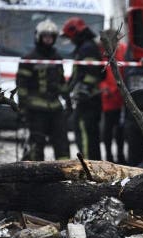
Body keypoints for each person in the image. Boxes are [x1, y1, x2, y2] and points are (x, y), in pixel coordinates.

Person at [16, 19, 70, 161]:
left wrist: (68, 100)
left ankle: (66, 174)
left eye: (51, 36)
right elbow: (21, 87)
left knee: (62, 143)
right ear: (39, 37)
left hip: (55, 107)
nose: (48, 39)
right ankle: (36, 176)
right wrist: (22, 109)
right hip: (36, 110)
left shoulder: (57, 57)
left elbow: (61, 82)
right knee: (36, 145)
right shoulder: (29, 58)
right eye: (45, 36)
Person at [61, 17, 103, 160]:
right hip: (89, 99)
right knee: (89, 135)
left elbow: (92, 73)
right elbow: (78, 74)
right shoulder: (86, 47)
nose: (70, 40)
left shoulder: (87, 48)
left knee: (85, 135)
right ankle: (92, 165)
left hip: (89, 100)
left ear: (76, 33)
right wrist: (68, 88)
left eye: (70, 37)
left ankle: (88, 167)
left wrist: (82, 89)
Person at [99, 29, 126, 164]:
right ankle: (109, 156)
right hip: (108, 98)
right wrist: (103, 87)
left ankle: (120, 155)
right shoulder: (102, 53)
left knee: (120, 130)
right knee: (108, 129)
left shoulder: (123, 51)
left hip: (120, 97)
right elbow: (99, 74)